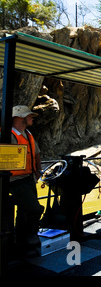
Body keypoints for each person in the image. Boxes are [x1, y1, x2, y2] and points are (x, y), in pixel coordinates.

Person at [8, 105, 44, 257]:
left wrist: (38, 171)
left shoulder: (28, 133)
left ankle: (21, 242)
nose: (31, 118)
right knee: (35, 209)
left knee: (24, 211)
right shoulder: (7, 135)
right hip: (15, 181)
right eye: (29, 116)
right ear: (19, 118)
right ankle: (30, 237)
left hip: (29, 179)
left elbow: (36, 153)